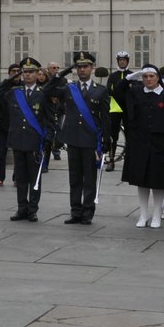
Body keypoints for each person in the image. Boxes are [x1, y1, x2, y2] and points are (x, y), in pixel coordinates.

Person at [45, 51, 111, 225]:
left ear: (92, 68)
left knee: (89, 178)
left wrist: (106, 139)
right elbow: (47, 90)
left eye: (85, 66)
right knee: (74, 178)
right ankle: (75, 211)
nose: (82, 70)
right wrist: (62, 73)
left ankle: (88, 212)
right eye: (79, 67)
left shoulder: (101, 91)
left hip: (90, 140)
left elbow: (106, 117)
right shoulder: (68, 88)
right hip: (73, 138)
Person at [121, 65, 164, 227]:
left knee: (157, 182)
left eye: (151, 76)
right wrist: (128, 78)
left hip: (160, 145)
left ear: (158, 77)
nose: (148, 79)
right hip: (140, 143)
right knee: (142, 181)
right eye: (145, 77)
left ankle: (157, 215)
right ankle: (143, 214)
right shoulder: (136, 93)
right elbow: (117, 93)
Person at [3, 58, 51, 222]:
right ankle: (21, 209)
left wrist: (48, 141)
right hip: (18, 140)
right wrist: (10, 79)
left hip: (35, 142)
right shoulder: (14, 92)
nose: (28, 75)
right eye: (25, 72)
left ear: (38, 74)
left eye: (31, 72)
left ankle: (32, 210)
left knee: (34, 178)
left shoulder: (43, 94)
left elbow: (50, 119)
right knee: (21, 179)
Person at [0, 62, 22, 187]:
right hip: (4, 127)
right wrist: (6, 82)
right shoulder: (3, 86)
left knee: (18, 155)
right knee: (0, 155)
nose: (15, 74)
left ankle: (17, 178)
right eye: (13, 71)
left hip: (18, 128)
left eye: (17, 71)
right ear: (9, 73)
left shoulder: (23, 87)